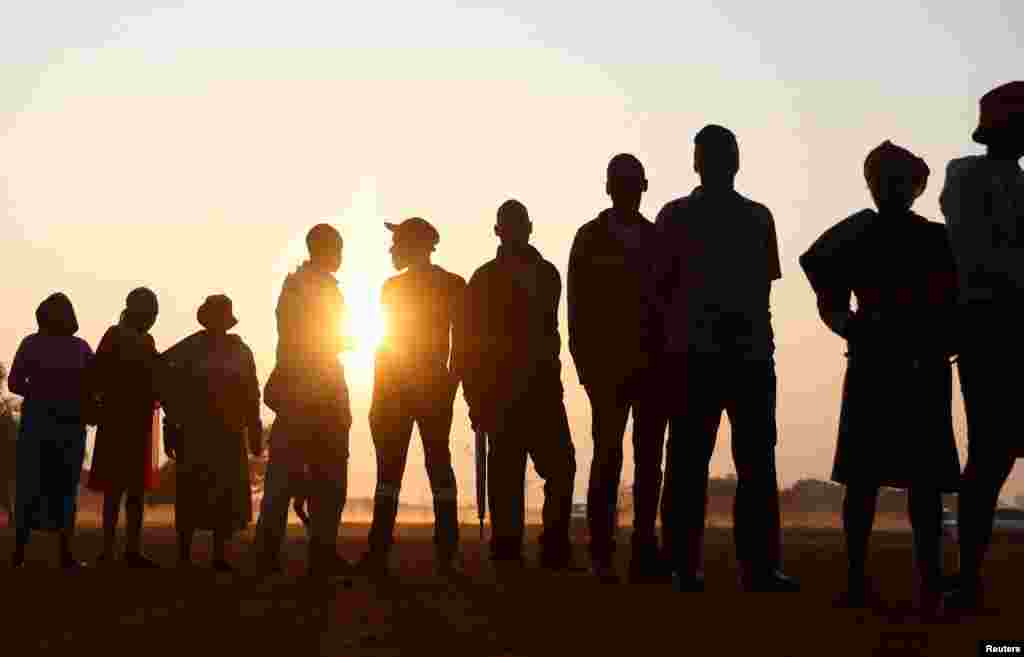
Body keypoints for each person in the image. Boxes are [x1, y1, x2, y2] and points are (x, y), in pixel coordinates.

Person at [800, 141, 960, 613]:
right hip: (900, 362)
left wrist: (845, 321)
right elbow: (822, 279)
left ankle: (886, 581)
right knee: (892, 480)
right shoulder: (922, 237)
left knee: (890, 481)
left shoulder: (919, 237)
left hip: (901, 362)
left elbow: (820, 274)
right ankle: (912, 583)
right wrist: (845, 321)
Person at [655, 125, 798, 592]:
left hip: (731, 354)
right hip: (717, 355)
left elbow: (758, 290)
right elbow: (662, 291)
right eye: (712, 155)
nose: (717, 163)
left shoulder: (743, 218)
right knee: (704, 465)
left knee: (724, 464)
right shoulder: (742, 218)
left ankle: (722, 567)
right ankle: (703, 566)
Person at [941, 81, 1024, 610]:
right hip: (995, 325)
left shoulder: (973, 176)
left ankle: (968, 578)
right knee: (991, 456)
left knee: (991, 457)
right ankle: (967, 579)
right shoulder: (976, 176)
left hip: (990, 326)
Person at [567, 154, 669, 582]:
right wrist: (587, 369)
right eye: (621, 183)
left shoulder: (655, 239)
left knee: (647, 462)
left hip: (651, 368)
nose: (627, 190)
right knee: (608, 459)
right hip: (607, 371)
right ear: (610, 188)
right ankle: (603, 553)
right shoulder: (590, 238)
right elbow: (576, 309)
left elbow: (668, 302)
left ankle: (643, 547)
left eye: (632, 184)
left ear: (642, 187)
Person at [464, 200, 579, 574]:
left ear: (528, 228)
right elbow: (469, 345)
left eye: (518, 225)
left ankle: (553, 543)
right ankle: (508, 546)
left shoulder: (546, 275)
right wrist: (474, 398)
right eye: (508, 226)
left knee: (560, 467)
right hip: (502, 395)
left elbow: (548, 334)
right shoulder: (483, 279)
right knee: (506, 477)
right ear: (499, 231)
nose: (514, 232)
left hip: (540, 391)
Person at [360, 217, 465, 576]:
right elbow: (462, 346)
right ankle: (446, 553)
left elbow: (386, 347)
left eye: (399, 242)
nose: (393, 249)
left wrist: (379, 397)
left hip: (400, 389)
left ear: (413, 245)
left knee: (392, 473)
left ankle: (379, 553)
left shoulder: (394, 287)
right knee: (437, 466)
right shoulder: (452, 284)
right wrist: (451, 382)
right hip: (427, 387)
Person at [254, 224, 352, 577]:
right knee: (326, 478)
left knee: (285, 478)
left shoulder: (296, 286)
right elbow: (314, 338)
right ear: (326, 249)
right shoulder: (314, 288)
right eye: (338, 247)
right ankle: (317, 553)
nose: (341, 254)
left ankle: (271, 554)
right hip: (314, 389)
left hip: (301, 389)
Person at [162, 295, 263, 571]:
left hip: (226, 432)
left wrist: (254, 429)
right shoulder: (190, 348)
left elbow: (252, 394)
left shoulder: (239, 351)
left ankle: (217, 555)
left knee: (223, 493)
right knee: (192, 492)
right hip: (196, 431)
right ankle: (185, 555)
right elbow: (164, 379)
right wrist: (170, 423)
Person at [8, 293, 94, 568]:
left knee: (32, 487)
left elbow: (14, 383)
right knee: (63, 488)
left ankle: (21, 553)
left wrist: (41, 391)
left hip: (40, 425)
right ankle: (63, 554)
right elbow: (93, 386)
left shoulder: (32, 344)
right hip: (64, 426)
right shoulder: (80, 348)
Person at [86, 287, 162, 567]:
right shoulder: (116, 336)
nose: (153, 320)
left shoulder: (139, 338)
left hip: (133, 418)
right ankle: (111, 550)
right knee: (119, 489)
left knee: (130, 490)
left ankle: (127, 550)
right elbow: (98, 374)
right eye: (151, 314)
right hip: (120, 418)